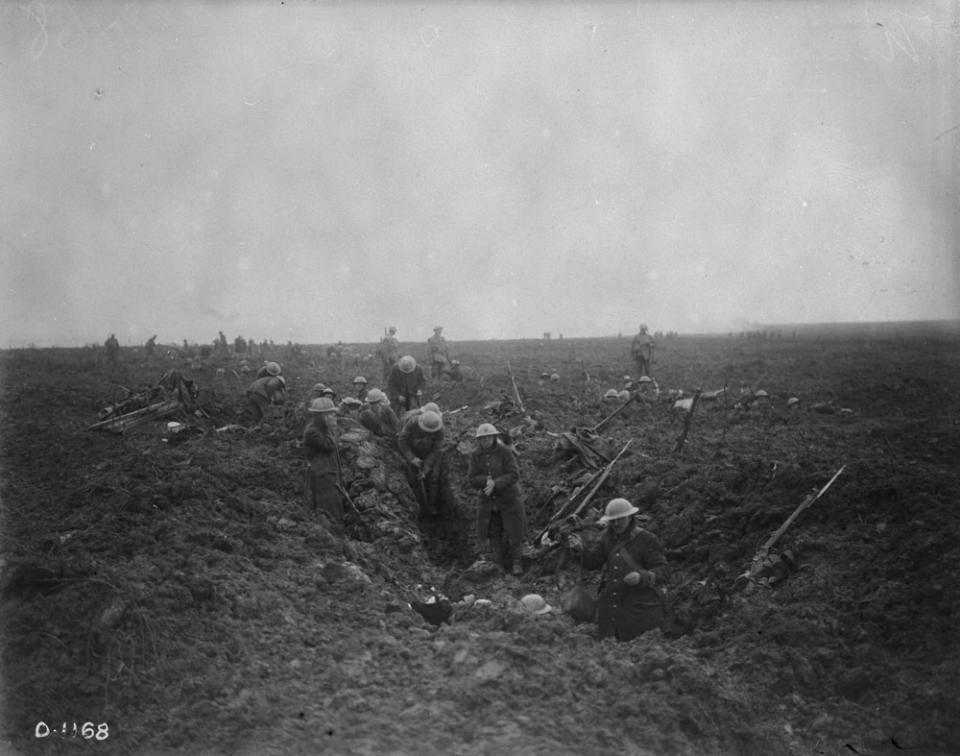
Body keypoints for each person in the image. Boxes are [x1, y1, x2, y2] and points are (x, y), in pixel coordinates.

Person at [567, 498, 669, 641]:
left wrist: (641, 577)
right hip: (611, 611)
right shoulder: (606, 538)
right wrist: (580, 550)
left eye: (620, 519)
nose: (615, 524)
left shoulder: (647, 539)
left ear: (630, 517)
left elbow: (664, 571)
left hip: (639, 612)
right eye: (612, 520)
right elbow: (593, 563)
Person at [468, 423, 527, 576]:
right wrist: (485, 482)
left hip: (509, 498)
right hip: (489, 502)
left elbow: (514, 474)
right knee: (494, 532)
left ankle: (517, 562)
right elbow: (472, 478)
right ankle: (498, 564)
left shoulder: (505, 452)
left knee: (515, 532)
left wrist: (496, 483)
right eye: (482, 439)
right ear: (478, 440)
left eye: (488, 438)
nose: (486, 441)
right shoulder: (475, 455)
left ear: (494, 438)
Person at [397, 409, 455, 521]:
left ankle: (432, 506)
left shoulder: (440, 430)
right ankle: (419, 508)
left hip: (430, 454)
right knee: (414, 480)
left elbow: (435, 451)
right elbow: (402, 440)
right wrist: (412, 458)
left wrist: (426, 469)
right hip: (413, 451)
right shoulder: (412, 422)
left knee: (433, 479)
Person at [302, 397, 344, 520]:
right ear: (321, 416)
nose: (333, 416)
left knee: (335, 506)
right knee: (329, 510)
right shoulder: (312, 432)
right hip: (322, 476)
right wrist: (333, 428)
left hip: (329, 474)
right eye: (329, 413)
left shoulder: (322, 430)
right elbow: (329, 446)